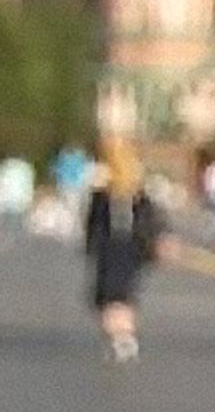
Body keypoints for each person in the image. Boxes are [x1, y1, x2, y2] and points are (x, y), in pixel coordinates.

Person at [82, 138, 166, 363]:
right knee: (124, 294)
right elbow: (152, 219)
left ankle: (119, 337)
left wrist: (90, 246)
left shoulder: (102, 191)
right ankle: (125, 335)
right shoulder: (139, 191)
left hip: (111, 247)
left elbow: (93, 223)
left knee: (109, 297)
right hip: (133, 247)